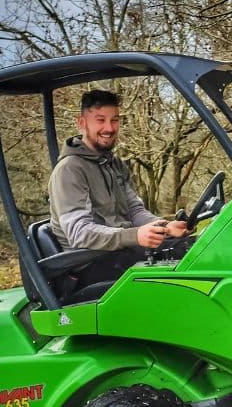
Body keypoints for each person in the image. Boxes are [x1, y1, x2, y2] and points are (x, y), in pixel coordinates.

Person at [49, 89, 188, 289]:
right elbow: (80, 234)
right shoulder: (70, 170)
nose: (109, 128)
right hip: (93, 264)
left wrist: (166, 227)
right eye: (100, 120)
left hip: (122, 251)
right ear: (82, 123)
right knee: (185, 265)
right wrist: (134, 235)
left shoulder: (113, 164)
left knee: (194, 248)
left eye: (114, 120)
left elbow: (134, 210)